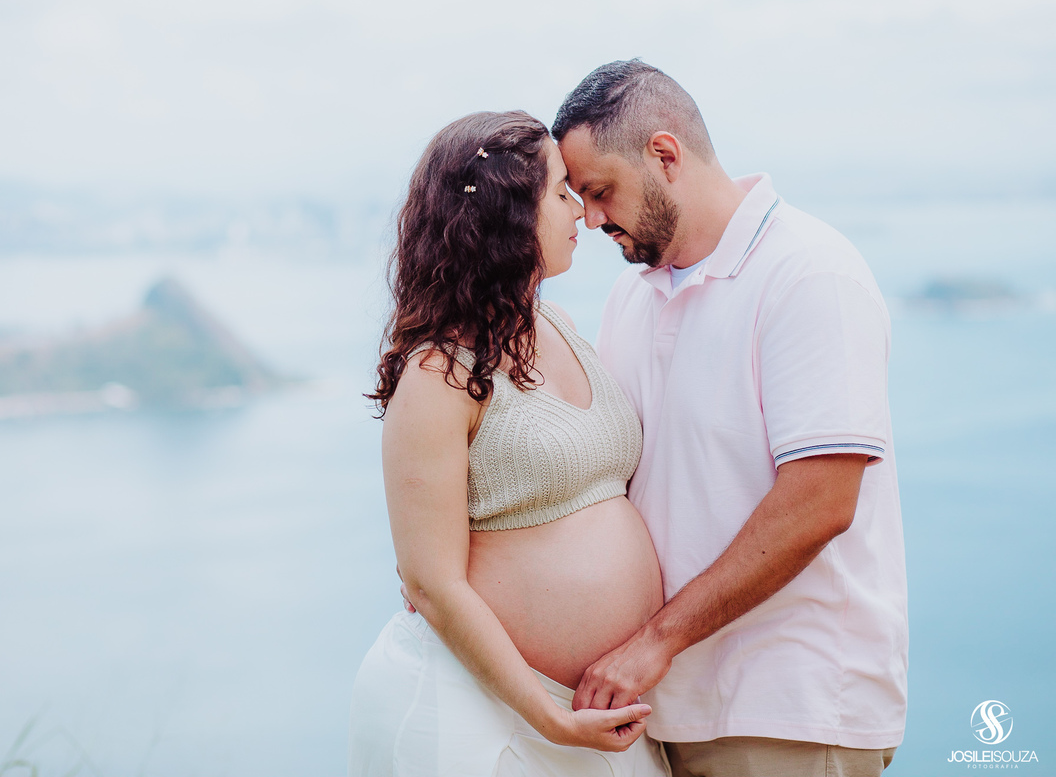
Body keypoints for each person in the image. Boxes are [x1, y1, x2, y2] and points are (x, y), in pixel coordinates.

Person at [550, 60, 908, 777]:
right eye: (578, 199)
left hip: (789, 711)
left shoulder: (809, 273)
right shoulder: (631, 299)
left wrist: (656, 640)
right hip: (663, 709)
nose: (588, 219)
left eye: (600, 192)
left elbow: (819, 503)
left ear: (664, 155)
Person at [347, 111, 670, 776]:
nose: (581, 212)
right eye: (559, 193)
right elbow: (431, 582)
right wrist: (546, 714)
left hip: (594, 710)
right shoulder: (439, 374)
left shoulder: (563, 324)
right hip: (482, 711)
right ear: (506, 217)